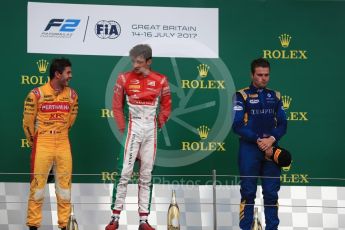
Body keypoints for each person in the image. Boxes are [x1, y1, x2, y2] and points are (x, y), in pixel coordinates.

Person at [106, 44, 171, 230]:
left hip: (151, 129)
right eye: (133, 61)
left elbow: (167, 106)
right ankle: (115, 217)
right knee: (124, 172)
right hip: (133, 128)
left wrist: (158, 123)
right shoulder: (124, 78)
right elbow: (117, 106)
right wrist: (122, 127)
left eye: (140, 62)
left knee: (146, 174)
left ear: (149, 61)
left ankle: (144, 219)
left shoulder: (161, 80)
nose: (135, 65)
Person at [23, 58, 78, 230]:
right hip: (43, 143)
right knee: (38, 186)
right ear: (57, 74)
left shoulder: (72, 95)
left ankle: (64, 225)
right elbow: (27, 123)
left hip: (63, 142)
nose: (70, 76)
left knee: (64, 187)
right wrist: (38, 140)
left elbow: (71, 120)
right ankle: (33, 225)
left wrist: (59, 132)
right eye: (68, 72)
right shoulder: (36, 94)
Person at [232, 58, 287, 230]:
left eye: (266, 75)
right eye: (259, 75)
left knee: (271, 193)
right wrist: (258, 140)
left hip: (271, 149)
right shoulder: (241, 95)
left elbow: (283, 123)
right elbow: (237, 125)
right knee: (248, 193)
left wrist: (271, 140)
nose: (263, 78)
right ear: (252, 74)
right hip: (249, 150)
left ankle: (272, 228)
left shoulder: (275, 96)